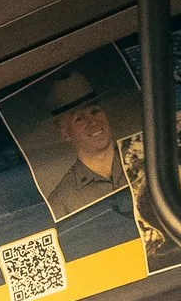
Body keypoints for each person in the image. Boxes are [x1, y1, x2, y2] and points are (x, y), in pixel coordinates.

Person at [39, 69, 126, 216]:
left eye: (94, 111)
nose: (93, 122)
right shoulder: (60, 202)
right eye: (79, 118)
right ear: (65, 133)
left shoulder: (147, 158)